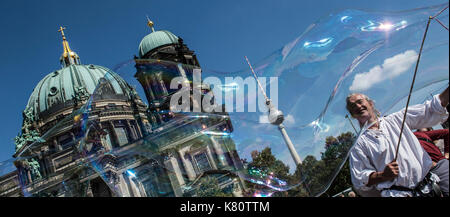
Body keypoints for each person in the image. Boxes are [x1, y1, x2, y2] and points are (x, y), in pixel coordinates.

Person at [346, 87, 449, 197]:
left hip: (430, 186)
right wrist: (383, 175)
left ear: (370, 103)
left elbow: (430, 109)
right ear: (352, 114)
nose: (357, 106)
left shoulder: (396, 119)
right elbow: (359, 178)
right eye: (353, 106)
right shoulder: (359, 144)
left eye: (360, 101)